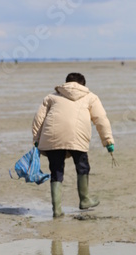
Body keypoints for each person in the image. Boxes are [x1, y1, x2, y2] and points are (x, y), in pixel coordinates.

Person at [32, 72, 114, 218]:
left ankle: (56, 210)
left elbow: (38, 119)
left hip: (52, 137)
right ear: (83, 85)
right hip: (78, 137)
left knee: (56, 170)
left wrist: (36, 139)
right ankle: (84, 199)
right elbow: (101, 119)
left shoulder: (52, 97)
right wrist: (108, 142)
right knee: (82, 166)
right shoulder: (91, 97)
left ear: (66, 83)